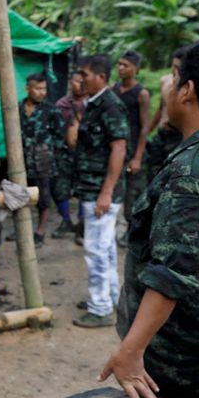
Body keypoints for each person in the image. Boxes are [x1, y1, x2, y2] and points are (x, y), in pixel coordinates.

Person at [99, 38, 199, 398]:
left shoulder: (191, 171)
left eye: (174, 78)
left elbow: (172, 272)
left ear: (187, 91)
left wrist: (132, 350)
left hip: (185, 359)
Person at [67, 55, 129, 328]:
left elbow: (119, 148)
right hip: (93, 189)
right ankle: (111, 298)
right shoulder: (93, 104)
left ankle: (100, 307)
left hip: (101, 192)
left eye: (85, 74)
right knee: (105, 249)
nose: (81, 79)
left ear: (101, 77)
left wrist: (106, 191)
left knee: (96, 249)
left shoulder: (110, 105)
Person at [16, 73, 62, 247]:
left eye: (44, 89)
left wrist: (52, 158)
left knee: (43, 197)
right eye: (38, 88)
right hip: (21, 162)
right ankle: (23, 228)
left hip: (43, 161)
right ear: (28, 89)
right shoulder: (18, 108)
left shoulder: (51, 110)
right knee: (21, 194)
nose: (42, 92)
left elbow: (59, 138)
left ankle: (40, 232)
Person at [112, 51, 151, 248]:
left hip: (133, 148)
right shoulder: (115, 89)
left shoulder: (141, 94)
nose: (121, 68)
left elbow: (145, 127)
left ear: (136, 69)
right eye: (119, 64)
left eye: (125, 65)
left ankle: (132, 232)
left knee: (132, 195)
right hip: (117, 149)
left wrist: (137, 157)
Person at [52, 72, 87, 241]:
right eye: (76, 81)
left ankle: (81, 224)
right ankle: (66, 220)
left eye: (82, 81)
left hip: (85, 155)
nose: (79, 84)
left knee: (83, 189)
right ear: (70, 82)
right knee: (59, 189)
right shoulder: (62, 104)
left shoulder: (93, 103)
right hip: (64, 153)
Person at [146, 48, 186, 180]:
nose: (175, 70)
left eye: (179, 67)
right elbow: (161, 108)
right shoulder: (165, 81)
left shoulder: (188, 87)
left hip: (177, 136)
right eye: (173, 66)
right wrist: (149, 129)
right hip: (161, 134)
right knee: (152, 170)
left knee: (170, 173)